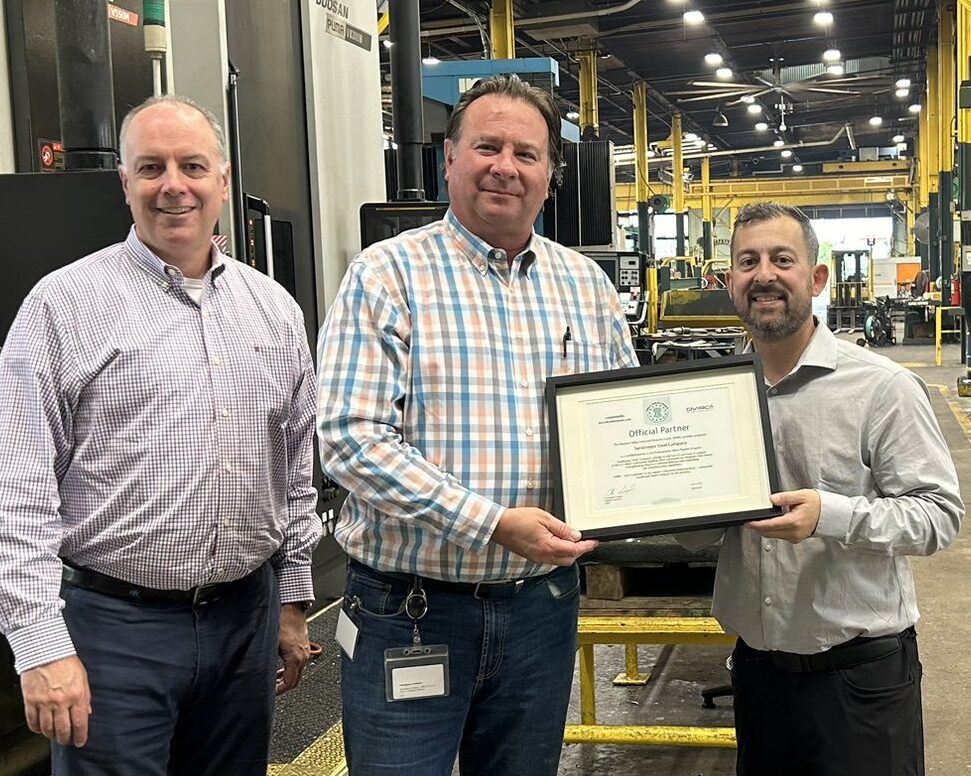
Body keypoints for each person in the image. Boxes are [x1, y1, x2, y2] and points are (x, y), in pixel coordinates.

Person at [316, 74, 638, 776]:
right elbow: (350, 437)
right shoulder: (385, 276)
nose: (505, 166)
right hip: (410, 612)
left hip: (540, 608)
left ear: (550, 174)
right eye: (487, 146)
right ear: (449, 160)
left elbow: (620, 426)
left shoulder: (586, 287)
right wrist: (490, 522)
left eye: (526, 153)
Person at [0, 94, 322, 775]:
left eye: (192, 166)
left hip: (246, 621)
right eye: (151, 167)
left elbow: (295, 471)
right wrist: (38, 644)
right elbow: (17, 488)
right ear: (125, 182)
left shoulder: (274, 312)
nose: (173, 185)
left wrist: (291, 604)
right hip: (115, 631)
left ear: (223, 181)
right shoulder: (62, 307)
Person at [679, 202, 964, 775]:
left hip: (861, 682)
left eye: (783, 259)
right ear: (730, 282)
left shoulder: (883, 389)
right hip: (759, 675)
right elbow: (698, 525)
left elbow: (938, 517)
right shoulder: (705, 399)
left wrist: (829, 515)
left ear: (815, 277)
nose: (764, 275)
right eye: (747, 261)